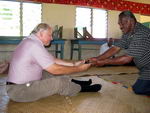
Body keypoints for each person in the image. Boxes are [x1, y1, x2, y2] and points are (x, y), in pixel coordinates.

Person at [6, 23, 102, 102]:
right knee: (59, 83)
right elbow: (55, 69)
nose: (52, 38)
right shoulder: (33, 45)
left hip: (21, 86)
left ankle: (79, 83)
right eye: (50, 35)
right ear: (40, 33)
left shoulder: (30, 41)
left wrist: (75, 63)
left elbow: (52, 59)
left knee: (47, 72)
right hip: (20, 91)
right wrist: (79, 69)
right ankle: (83, 89)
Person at [88, 10, 150, 96]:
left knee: (139, 90)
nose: (120, 26)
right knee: (139, 88)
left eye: (121, 23)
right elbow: (115, 48)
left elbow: (127, 59)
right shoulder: (128, 33)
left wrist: (104, 62)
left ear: (130, 21)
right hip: (145, 69)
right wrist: (97, 58)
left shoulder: (141, 33)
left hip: (148, 69)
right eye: (119, 24)